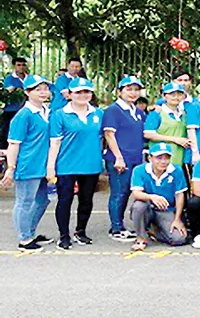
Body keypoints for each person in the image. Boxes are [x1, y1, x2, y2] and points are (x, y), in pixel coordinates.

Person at [47, 77, 104, 251]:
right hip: (66, 165)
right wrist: (51, 167)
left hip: (91, 164)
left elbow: (105, 137)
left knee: (86, 200)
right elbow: (55, 142)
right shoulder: (59, 114)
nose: (83, 95)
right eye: (78, 92)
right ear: (70, 94)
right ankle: (64, 235)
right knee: (65, 200)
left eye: (86, 91)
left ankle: (81, 231)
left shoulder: (98, 113)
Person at [3, 75, 52, 251]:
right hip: (28, 165)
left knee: (43, 200)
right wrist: (10, 168)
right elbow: (14, 144)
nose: (43, 92)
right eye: (38, 89)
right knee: (25, 201)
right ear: (27, 92)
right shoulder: (23, 115)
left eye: (45, 88)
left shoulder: (47, 111)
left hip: (44, 165)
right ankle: (24, 239)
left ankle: (30, 232)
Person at [102, 75, 146, 241]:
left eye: (136, 89)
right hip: (120, 158)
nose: (133, 93)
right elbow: (109, 134)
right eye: (129, 89)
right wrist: (118, 157)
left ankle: (120, 225)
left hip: (135, 158)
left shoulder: (137, 112)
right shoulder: (113, 110)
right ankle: (116, 228)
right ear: (119, 92)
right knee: (119, 193)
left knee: (127, 191)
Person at [128, 142, 188, 251]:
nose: (163, 161)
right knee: (138, 206)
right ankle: (141, 238)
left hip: (166, 209)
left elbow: (179, 195)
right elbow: (136, 193)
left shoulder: (176, 170)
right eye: (159, 158)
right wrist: (152, 197)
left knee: (179, 239)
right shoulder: (139, 170)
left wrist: (177, 219)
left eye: (166, 158)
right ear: (150, 158)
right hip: (148, 207)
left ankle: (154, 230)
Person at [143, 82, 189, 166]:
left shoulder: (184, 114)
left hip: (178, 157)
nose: (176, 97)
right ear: (164, 96)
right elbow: (148, 134)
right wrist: (175, 140)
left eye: (179, 94)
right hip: (160, 159)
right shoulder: (156, 113)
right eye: (172, 94)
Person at [0, 56, 28, 149]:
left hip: (25, 108)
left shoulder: (29, 78)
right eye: (18, 65)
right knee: (7, 131)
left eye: (23, 65)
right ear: (14, 66)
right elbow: (8, 91)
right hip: (11, 109)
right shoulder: (9, 79)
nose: (21, 67)